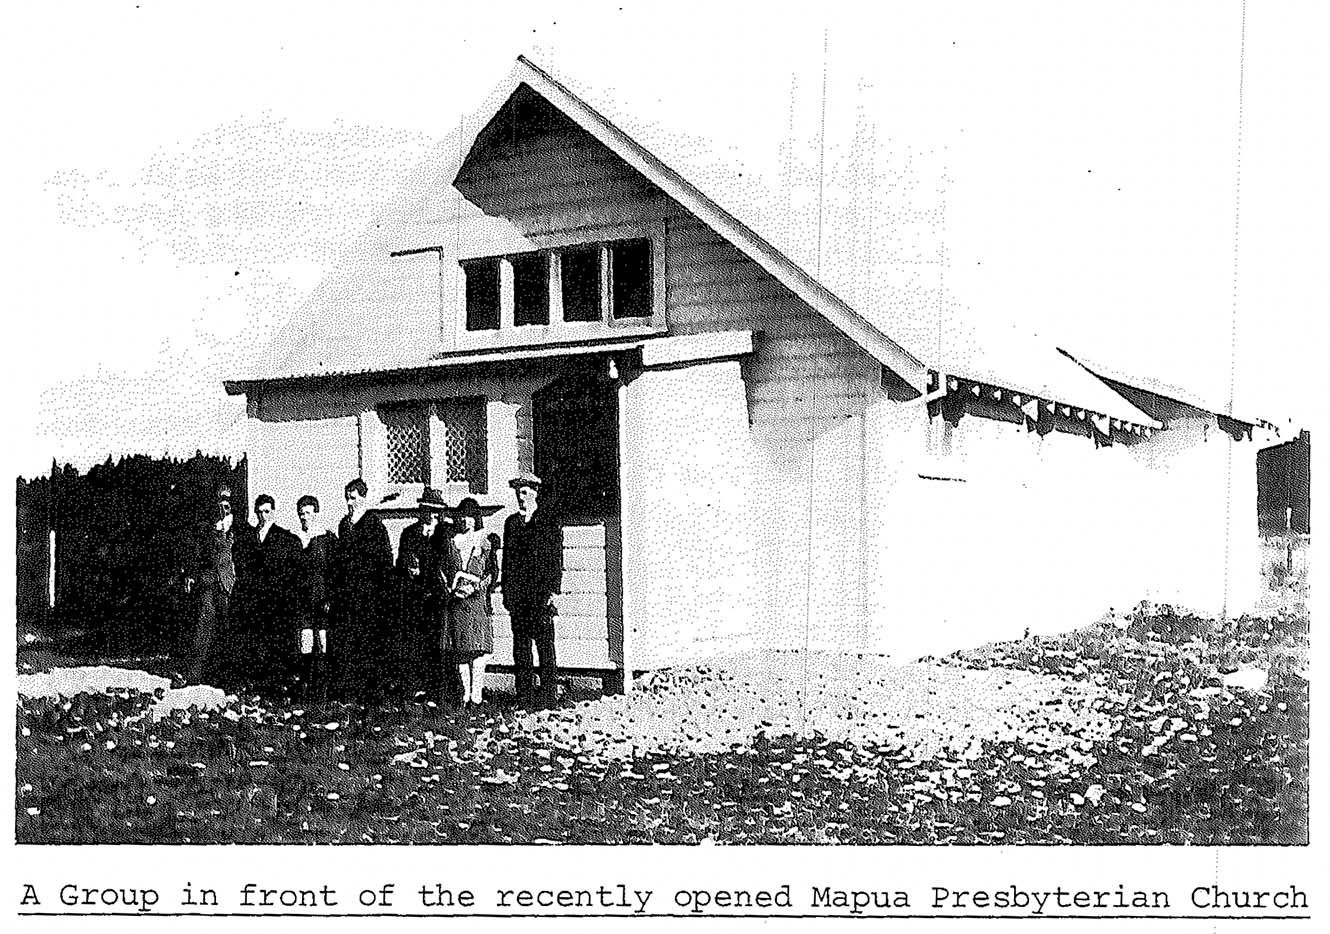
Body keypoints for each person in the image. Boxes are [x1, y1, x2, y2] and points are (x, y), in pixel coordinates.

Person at [501, 472, 563, 707]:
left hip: (541, 595)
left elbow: (555, 558)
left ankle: (548, 696)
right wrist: (507, 593)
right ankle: (524, 695)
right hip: (519, 597)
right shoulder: (512, 523)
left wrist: (553, 591)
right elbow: (508, 561)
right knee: (521, 647)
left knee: (545, 646)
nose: (520, 496)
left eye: (525, 492)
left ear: (535, 493)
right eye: (518, 492)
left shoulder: (547, 521)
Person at [330, 478, 393, 704]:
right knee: (349, 642)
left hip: (369, 595)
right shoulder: (344, 525)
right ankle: (351, 692)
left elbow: (384, 561)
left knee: (369, 643)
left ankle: (372, 693)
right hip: (348, 595)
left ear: (363, 498)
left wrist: (378, 592)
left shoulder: (374, 525)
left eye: (353, 498)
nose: (349, 502)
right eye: (347, 498)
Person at [233, 494, 301, 692]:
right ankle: (255, 684)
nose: (263, 516)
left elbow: (291, 573)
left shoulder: (285, 539)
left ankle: (277, 685)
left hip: (276, 600)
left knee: (275, 643)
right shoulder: (248, 539)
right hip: (254, 600)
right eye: (259, 512)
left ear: (273, 512)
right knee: (255, 643)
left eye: (267, 511)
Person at [394, 488, 448, 703]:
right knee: (414, 643)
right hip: (414, 597)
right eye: (428, 510)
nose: (432, 515)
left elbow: (445, 563)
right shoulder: (409, 533)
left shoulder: (444, 534)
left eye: (436, 511)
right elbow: (400, 562)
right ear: (421, 510)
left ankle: (436, 690)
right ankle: (414, 688)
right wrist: (408, 568)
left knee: (435, 644)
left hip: (436, 597)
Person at [443, 497, 496, 706]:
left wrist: (478, 586)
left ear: (476, 518)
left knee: (478, 651)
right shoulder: (452, 542)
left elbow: (492, 572)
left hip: (477, 603)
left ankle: (477, 696)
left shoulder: (484, 541)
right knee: (461, 651)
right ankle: (465, 696)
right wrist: (451, 588)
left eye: (471, 516)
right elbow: (444, 570)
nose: (466, 520)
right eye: (463, 516)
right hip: (457, 603)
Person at [182, 486, 237, 684]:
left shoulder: (239, 529)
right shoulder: (206, 529)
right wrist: (192, 574)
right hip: (208, 582)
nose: (223, 509)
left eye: (227, 505)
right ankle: (194, 674)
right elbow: (195, 552)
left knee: (228, 629)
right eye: (220, 505)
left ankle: (225, 676)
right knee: (204, 626)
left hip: (230, 584)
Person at [294, 494, 336, 700]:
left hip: (321, 596)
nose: (304, 517)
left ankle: (323, 689)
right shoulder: (295, 540)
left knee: (323, 640)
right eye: (301, 514)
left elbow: (334, 571)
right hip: (303, 598)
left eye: (308, 513)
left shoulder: (327, 539)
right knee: (305, 640)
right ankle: (306, 687)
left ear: (316, 514)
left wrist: (330, 597)